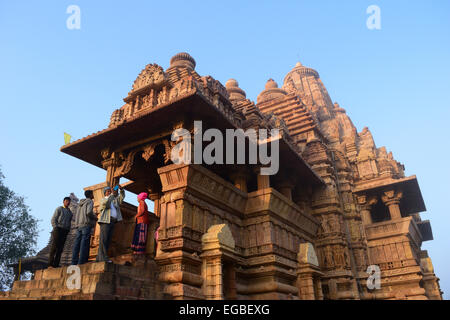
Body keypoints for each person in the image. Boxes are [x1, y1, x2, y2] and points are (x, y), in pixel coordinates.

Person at [96, 185, 124, 262]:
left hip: (112, 221)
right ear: (105, 193)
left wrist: (121, 190)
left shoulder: (114, 200)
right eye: (108, 191)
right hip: (105, 221)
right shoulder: (103, 200)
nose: (109, 192)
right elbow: (107, 205)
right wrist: (112, 194)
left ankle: (99, 258)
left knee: (108, 240)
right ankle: (104, 257)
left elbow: (121, 199)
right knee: (104, 240)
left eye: (110, 191)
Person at [71, 190, 97, 265]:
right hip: (86, 224)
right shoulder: (90, 201)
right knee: (84, 243)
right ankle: (81, 261)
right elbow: (89, 212)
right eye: (93, 194)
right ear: (90, 195)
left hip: (79, 225)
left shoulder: (80, 203)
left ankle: (74, 262)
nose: (93, 195)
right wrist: (95, 217)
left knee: (77, 244)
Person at [48, 197, 73, 268]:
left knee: (60, 248)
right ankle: (50, 264)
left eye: (69, 201)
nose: (67, 202)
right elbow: (53, 219)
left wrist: (68, 229)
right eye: (66, 201)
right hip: (58, 229)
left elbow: (69, 222)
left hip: (65, 230)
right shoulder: (59, 209)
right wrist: (55, 227)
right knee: (54, 246)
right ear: (63, 201)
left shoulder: (70, 213)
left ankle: (56, 264)